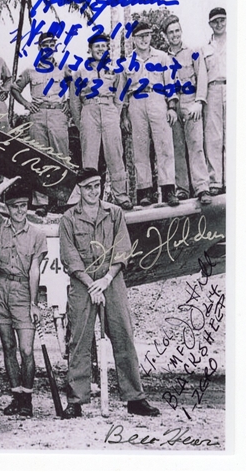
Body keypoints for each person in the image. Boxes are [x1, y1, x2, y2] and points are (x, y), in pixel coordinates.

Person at [58, 168, 160, 418]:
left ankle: (135, 398)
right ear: (79, 189)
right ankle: (76, 400)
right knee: (79, 341)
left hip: (111, 280)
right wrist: (90, 282)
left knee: (123, 335)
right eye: (88, 187)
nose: (93, 191)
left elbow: (123, 248)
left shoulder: (114, 213)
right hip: (82, 283)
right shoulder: (69, 218)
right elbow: (69, 256)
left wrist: (106, 279)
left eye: (97, 186)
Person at [0, 177, 46, 417]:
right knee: (8, 347)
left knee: (26, 350)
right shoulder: (0, 227)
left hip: (22, 291)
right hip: (0, 289)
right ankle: (16, 396)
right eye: (14, 206)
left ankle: (27, 399)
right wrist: (10, 181)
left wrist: (34, 303)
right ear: (7, 209)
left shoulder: (37, 234)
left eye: (23, 206)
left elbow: (34, 269)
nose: (20, 211)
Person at [12, 32, 71, 216]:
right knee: (38, 158)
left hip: (57, 114)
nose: (48, 48)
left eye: (52, 44)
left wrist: (68, 105)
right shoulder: (30, 70)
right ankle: (41, 202)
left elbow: (75, 87)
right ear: (39, 48)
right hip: (37, 116)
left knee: (61, 156)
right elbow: (14, 89)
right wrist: (27, 104)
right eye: (45, 45)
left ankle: (64, 199)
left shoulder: (63, 68)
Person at [69, 33, 131, 209]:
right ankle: (90, 200)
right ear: (90, 49)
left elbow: (120, 96)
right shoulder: (80, 71)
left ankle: (121, 196)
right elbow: (74, 101)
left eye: (104, 46)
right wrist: (81, 121)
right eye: (97, 46)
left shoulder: (114, 70)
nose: (100, 49)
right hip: (89, 111)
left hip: (109, 109)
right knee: (89, 158)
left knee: (115, 155)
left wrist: (115, 114)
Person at [123, 23, 179, 207]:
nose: (144, 39)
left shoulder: (162, 57)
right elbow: (123, 92)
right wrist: (124, 115)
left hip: (157, 98)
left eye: (147, 35)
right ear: (134, 39)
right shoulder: (127, 62)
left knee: (164, 145)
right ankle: (145, 191)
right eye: (140, 36)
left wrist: (171, 107)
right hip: (136, 101)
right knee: (140, 148)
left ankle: (169, 189)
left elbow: (170, 83)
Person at [163, 16, 212, 206]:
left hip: (191, 101)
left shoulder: (193, 52)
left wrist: (199, 102)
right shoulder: (163, 58)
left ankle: (202, 188)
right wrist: (170, 107)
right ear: (166, 36)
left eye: (177, 31)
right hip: (173, 105)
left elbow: (202, 77)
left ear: (181, 31)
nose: (175, 35)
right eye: (171, 32)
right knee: (176, 148)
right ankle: (182, 189)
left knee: (196, 145)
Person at [202, 7, 226, 195]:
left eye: (222, 20)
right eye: (215, 21)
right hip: (213, 89)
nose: (219, 24)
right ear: (210, 24)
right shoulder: (205, 48)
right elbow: (202, 76)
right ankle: (215, 181)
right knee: (214, 136)